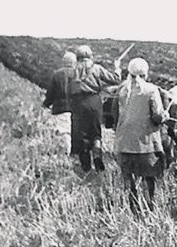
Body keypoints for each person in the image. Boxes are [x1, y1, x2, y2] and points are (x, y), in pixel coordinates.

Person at [114, 58, 167, 214]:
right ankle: (150, 210)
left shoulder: (122, 90)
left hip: (124, 144)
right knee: (148, 179)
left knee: (129, 180)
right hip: (146, 144)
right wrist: (165, 115)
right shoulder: (151, 90)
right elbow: (157, 116)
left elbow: (116, 115)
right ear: (146, 73)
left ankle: (134, 210)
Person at [69, 45, 122, 173]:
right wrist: (117, 68)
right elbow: (115, 79)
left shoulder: (71, 70)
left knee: (82, 133)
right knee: (96, 132)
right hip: (94, 102)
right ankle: (98, 158)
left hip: (78, 103)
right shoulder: (96, 68)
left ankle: (85, 165)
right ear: (90, 56)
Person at [43, 50, 77, 116]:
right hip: (75, 112)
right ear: (75, 62)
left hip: (59, 110)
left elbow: (51, 93)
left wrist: (45, 104)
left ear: (63, 62)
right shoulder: (79, 73)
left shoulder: (57, 74)